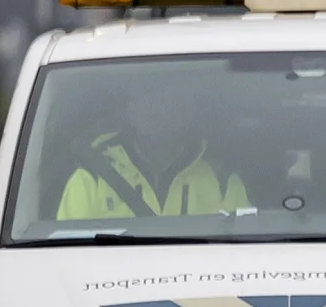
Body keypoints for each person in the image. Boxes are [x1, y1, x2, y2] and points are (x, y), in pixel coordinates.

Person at [56, 78, 251, 221]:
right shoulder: (91, 179)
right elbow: (65, 260)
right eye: (145, 93)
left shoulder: (222, 181)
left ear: (190, 108)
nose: (157, 105)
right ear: (129, 109)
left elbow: (243, 257)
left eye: (171, 95)